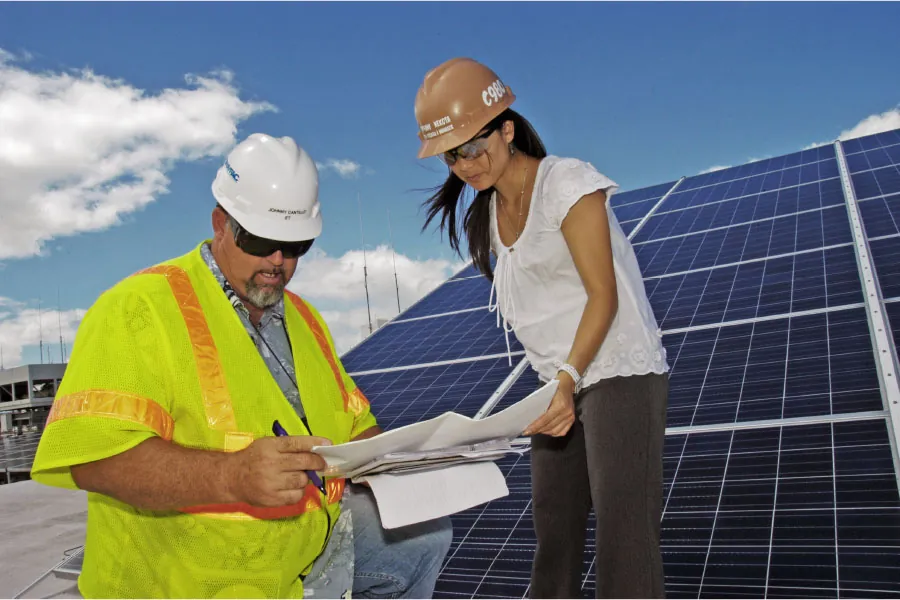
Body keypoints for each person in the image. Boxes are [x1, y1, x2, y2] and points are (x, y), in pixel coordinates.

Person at [31, 133, 452, 599]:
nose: (278, 261)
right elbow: (97, 461)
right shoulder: (137, 309)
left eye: (295, 246)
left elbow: (356, 426)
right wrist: (231, 477)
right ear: (220, 223)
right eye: (260, 240)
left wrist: (410, 456)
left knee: (420, 536)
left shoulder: (306, 320)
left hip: (296, 558)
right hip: (191, 580)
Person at [413, 58, 670, 599]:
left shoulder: (566, 183)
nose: (466, 164)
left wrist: (568, 378)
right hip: (558, 388)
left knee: (624, 540)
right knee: (554, 534)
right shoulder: (485, 216)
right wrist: (554, 387)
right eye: (452, 155)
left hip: (616, 370)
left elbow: (605, 294)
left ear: (506, 128)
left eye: (475, 146)